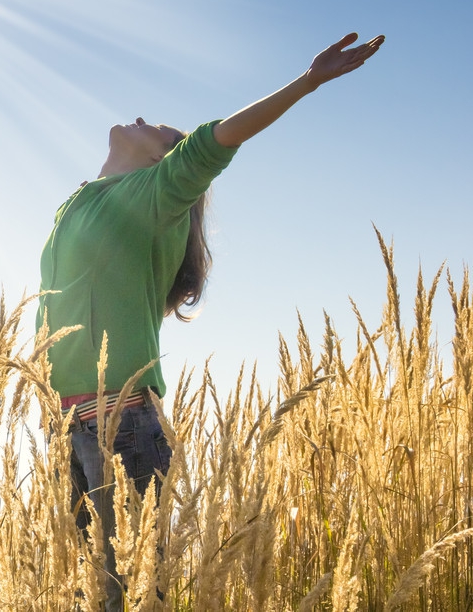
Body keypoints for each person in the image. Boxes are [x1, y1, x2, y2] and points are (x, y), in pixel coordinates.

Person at [36, 32, 384, 610]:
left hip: (121, 426)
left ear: (165, 160)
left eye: (164, 131)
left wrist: (307, 80)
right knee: (94, 598)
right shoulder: (76, 203)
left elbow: (214, 142)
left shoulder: (153, 197)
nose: (145, 117)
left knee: (138, 596)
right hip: (66, 428)